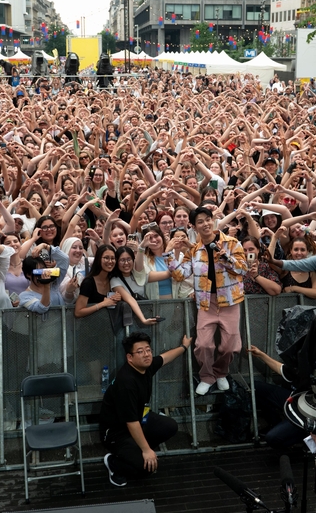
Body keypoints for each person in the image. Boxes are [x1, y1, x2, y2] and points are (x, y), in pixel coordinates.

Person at [170, 207, 246, 396]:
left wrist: (226, 258)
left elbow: (243, 270)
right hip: (206, 303)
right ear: (194, 227)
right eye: (200, 222)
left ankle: (221, 373)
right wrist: (168, 252)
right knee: (203, 345)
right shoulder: (194, 250)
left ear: (213, 221)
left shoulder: (232, 243)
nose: (205, 224)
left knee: (230, 346)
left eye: (207, 220)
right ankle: (207, 377)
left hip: (230, 302)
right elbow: (180, 275)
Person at [100, 331, 192, 487]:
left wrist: (184, 347)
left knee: (170, 426)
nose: (146, 355)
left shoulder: (145, 366)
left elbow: (165, 358)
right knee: (146, 468)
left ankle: (137, 450)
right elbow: (131, 422)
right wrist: (146, 450)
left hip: (139, 419)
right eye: (140, 352)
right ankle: (114, 463)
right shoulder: (126, 382)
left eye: (148, 350)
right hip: (117, 431)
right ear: (130, 357)